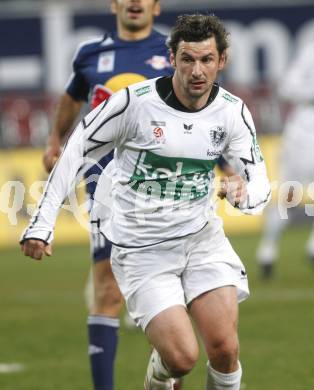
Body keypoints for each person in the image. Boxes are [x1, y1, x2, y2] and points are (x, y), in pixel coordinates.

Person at [21, 14, 271, 390]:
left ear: (222, 61)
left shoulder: (232, 111)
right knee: (183, 358)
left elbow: (259, 180)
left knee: (224, 348)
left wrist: (244, 195)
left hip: (202, 241)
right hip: (142, 251)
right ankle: (160, 373)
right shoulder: (133, 104)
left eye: (206, 59)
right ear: (172, 58)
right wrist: (42, 222)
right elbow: (76, 151)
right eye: (187, 59)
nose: (197, 70)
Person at [41, 1, 174, 389]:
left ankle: (164, 380)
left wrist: (227, 167)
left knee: (172, 292)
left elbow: (197, 114)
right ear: (114, 4)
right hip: (105, 178)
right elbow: (71, 98)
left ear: (156, 5)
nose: (134, 3)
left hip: (163, 177)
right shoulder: (90, 53)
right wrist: (54, 140)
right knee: (107, 288)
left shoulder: (173, 51)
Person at [256, 9, 314, 279]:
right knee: (290, 192)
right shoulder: (311, 54)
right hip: (304, 127)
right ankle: (268, 249)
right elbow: (287, 87)